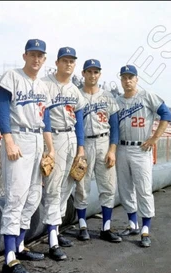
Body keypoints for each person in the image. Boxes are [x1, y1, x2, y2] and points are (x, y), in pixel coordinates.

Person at [0, 38, 55, 273]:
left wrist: (50, 148)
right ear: (24, 56)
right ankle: (8, 259)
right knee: (16, 197)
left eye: (40, 55)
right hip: (18, 137)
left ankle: (19, 246)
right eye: (32, 54)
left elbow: (46, 118)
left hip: (37, 139)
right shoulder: (12, 76)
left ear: (44, 59)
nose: (36, 58)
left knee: (33, 196)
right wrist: (8, 140)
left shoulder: (42, 86)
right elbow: (0, 109)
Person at [115, 65, 171, 247]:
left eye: (131, 77)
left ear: (137, 79)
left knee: (144, 189)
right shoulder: (117, 100)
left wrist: (154, 138)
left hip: (141, 149)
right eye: (124, 77)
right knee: (125, 189)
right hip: (122, 148)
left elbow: (166, 114)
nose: (127, 80)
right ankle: (133, 224)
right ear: (121, 80)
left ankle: (145, 228)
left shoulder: (147, 96)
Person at [41, 46, 86, 261]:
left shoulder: (75, 90)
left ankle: (55, 232)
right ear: (57, 62)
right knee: (53, 187)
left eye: (72, 61)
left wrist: (81, 148)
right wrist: (49, 147)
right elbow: (45, 118)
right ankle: (51, 240)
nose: (68, 64)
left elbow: (80, 122)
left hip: (71, 138)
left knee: (68, 185)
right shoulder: (45, 84)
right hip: (55, 137)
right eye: (65, 60)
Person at [73, 59, 122, 243]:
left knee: (108, 186)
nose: (92, 75)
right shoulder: (77, 95)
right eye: (89, 71)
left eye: (96, 72)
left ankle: (106, 227)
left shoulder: (108, 97)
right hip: (83, 144)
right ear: (83, 74)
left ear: (99, 74)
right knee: (81, 187)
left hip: (103, 141)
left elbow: (115, 127)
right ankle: (83, 225)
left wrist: (112, 150)